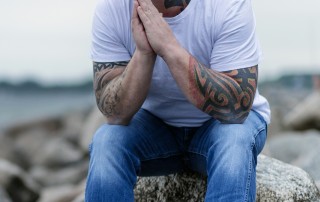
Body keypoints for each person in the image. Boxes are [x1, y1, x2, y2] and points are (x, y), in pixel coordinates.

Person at [85, 0, 271, 201]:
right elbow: (114, 113)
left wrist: (168, 47)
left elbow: (237, 108)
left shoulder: (228, 4)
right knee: (107, 141)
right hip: (154, 130)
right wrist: (144, 54)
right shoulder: (112, 8)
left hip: (221, 126)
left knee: (235, 139)